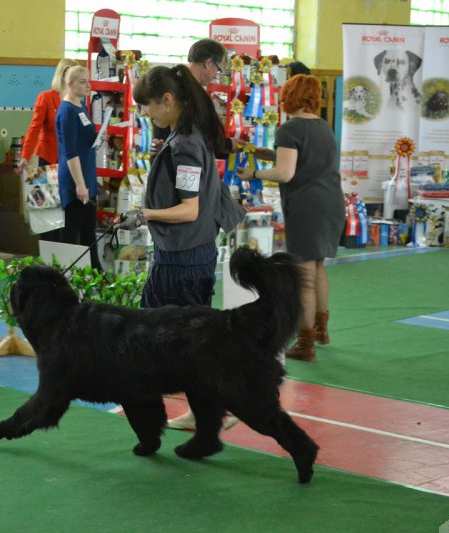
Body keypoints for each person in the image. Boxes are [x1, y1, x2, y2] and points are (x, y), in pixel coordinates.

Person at [117, 64, 245, 431]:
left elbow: (189, 210)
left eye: (148, 106)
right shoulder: (186, 137)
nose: (146, 113)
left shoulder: (186, 144)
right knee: (181, 342)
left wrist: (143, 215)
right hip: (189, 255)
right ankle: (197, 408)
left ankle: (206, 409)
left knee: (166, 340)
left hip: (182, 260)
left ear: (168, 100)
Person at [237, 74, 345, 362]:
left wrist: (255, 173)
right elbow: (304, 161)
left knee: (303, 277)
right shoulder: (324, 127)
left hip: (307, 208)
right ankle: (321, 330)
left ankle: (305, 342)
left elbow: (286, 173)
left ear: (290, 96)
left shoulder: (290, 129)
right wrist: (270, 154)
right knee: (318, 268)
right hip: (332, 203)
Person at [56, 65, 102, 270]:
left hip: (87, 174)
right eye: (82, 81)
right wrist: (80, 185)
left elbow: (85, 139)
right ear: (69, 84)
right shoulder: (66, 111)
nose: (87, 85)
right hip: (75, 178)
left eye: (88, 81)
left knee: (88, 230)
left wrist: (99, 138)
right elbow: (70, 151)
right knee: (72, 229)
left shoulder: (82, 107)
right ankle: (64, 273)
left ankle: (94, 272)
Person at [151, 39, 229, 153]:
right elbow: (199, 136)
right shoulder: (189, 92)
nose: (216, 75)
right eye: (218, 70)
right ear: (208, 63)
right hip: (183, 159)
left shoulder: (173, 81)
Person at [16, 58, 78, 174]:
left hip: (71, 159)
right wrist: (25, 156)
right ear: (64, 75)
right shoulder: (45, 97)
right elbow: (34, 129)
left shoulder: (77, 100)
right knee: (46, 192)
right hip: (48, 158)